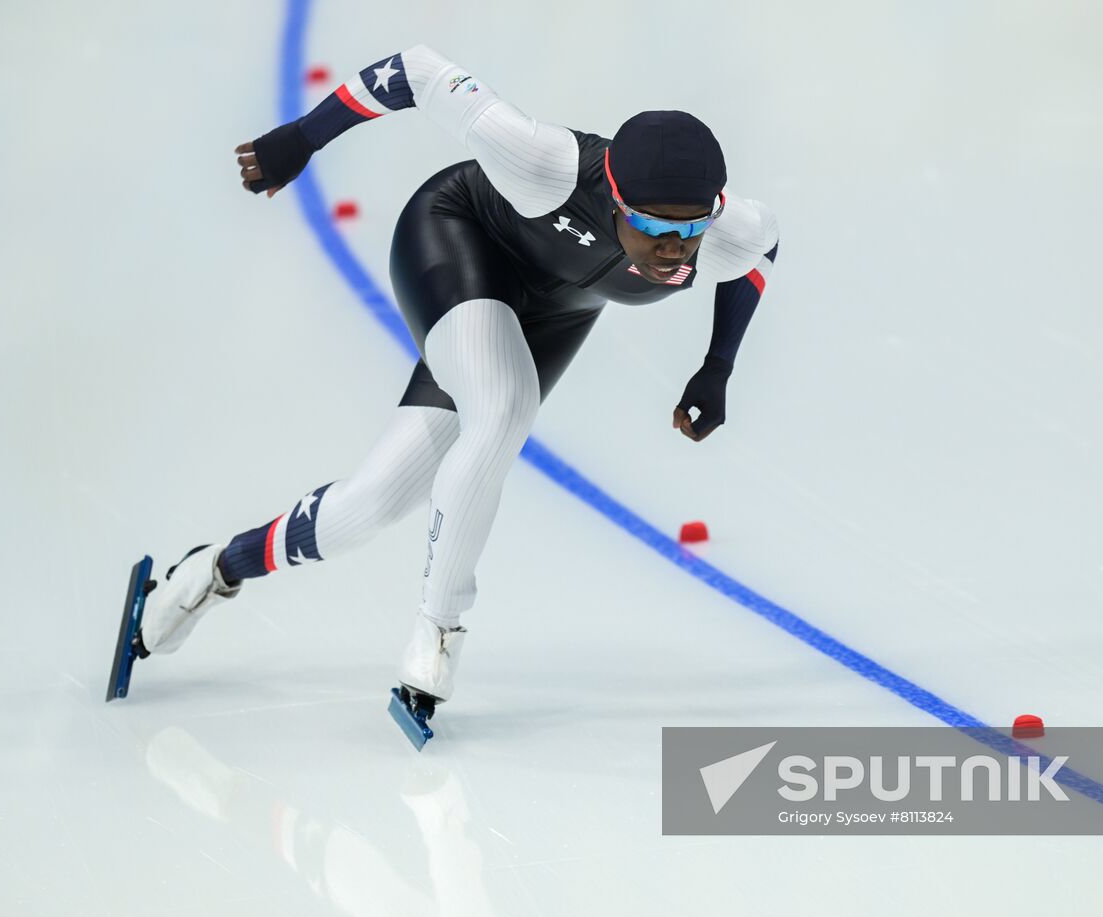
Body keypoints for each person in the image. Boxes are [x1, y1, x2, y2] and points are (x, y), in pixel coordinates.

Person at [134, 43, 780, 723]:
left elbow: (760, 254)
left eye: (690, 227)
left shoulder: (731, 231)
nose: (674, 246)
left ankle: (210, 570)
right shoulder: (543, 164)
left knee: (368, 508)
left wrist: (718, 367)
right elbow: (417, 71)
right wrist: (303, 136)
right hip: (456, 241)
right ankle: (439, 629)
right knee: (502, 409)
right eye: (652, 226)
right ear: (614, 198)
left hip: (554, 315)